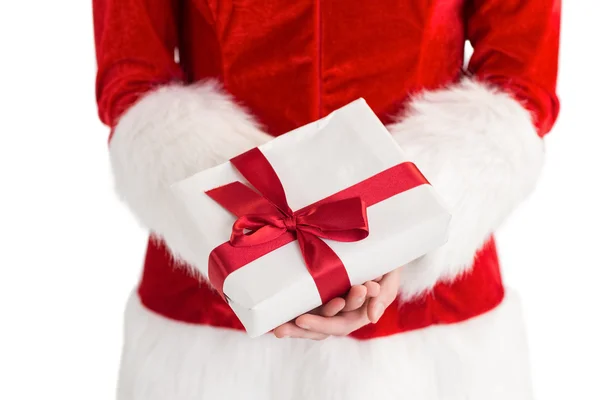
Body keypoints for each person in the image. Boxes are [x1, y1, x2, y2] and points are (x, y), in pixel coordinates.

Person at [93, 0, 560, 399]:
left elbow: (518, 85)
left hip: (428, 318)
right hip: (214, 306)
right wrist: (265, 253)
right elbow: (135, 82)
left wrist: (396, 234)